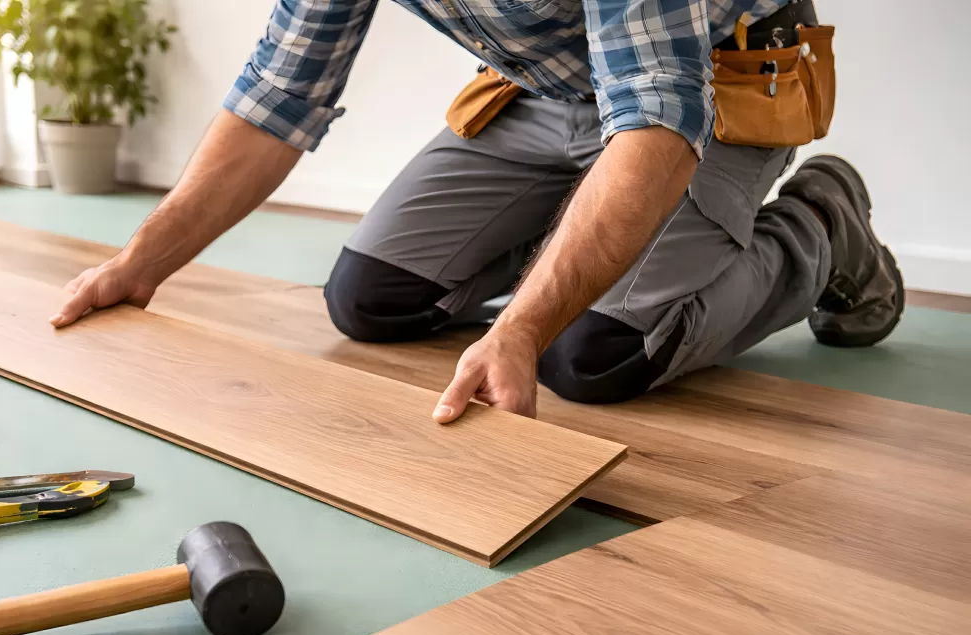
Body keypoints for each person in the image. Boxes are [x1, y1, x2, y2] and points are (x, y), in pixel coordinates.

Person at [50, 0, 901, 424]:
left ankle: (822, 227)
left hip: (716, 91)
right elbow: (278, 94)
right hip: (548, 93)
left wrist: (524, 329)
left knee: (591, 356)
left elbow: (655, 122)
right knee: (369, 301)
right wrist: (140, 261)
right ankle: (591, 242)